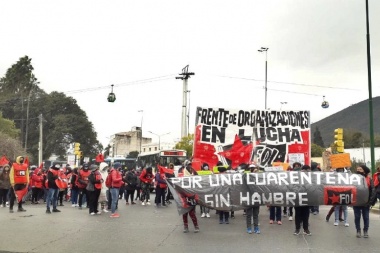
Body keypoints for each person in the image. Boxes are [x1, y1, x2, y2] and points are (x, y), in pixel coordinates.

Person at [353, 164, 376, 238]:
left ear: (364, 171)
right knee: (357, 216)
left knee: (366, 217)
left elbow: (372, 190)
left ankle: (365, 230)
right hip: (356, 202)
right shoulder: (353, 178)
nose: (358, 171)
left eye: (360, 169)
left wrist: (370, 201)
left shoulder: (369, 179)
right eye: (358, 169)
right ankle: (358, 230)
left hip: (366, 202)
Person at [293, 165, 311, 236]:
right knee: (298, 214)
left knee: (306, 215)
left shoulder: (310, 177)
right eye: (308, 170)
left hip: (307, 198)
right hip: (298, 198)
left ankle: (305, 229)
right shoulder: (296, 177)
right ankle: (297, 229)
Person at [246, 164, 261, 234]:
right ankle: (249, 227)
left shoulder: (259, 178)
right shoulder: (246, 176)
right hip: (248, 198)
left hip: (256, 198)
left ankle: (256, 227)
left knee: (255, 214)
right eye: (252, 168)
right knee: (249, 214)